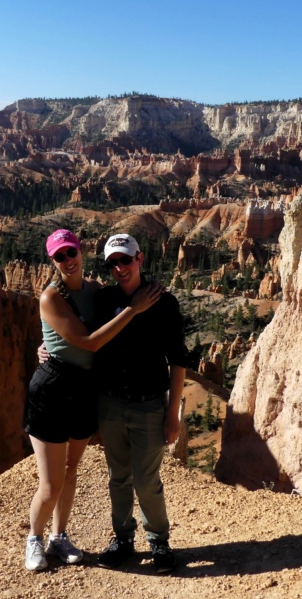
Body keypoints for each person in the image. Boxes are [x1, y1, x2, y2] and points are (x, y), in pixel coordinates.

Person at [23, 229, 162, 572]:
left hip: (85, 389)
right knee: (51, 481)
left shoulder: (96, 292)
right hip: (53, 388)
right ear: (52, 261)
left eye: (71, 253)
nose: (67, 261)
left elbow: (115, 331)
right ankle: (34, 539)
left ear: (81, 252)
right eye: (59, 257)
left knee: (70, 471)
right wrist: (133, 308)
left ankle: (59, 536)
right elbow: (89, 343)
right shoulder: (51, 298)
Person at [93, 233, 191, 574]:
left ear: (140, 259)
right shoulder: (104, 301)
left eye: (125, 260)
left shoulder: (165, 304)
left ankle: (159, 542)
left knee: (146, 480)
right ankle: (123, 540)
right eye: (112, 263)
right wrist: (43, 348)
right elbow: (79, 337)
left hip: (149, 406)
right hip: (110, 404)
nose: (120, 268)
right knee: (118, 476)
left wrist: (173, 414)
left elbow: (178, 361)